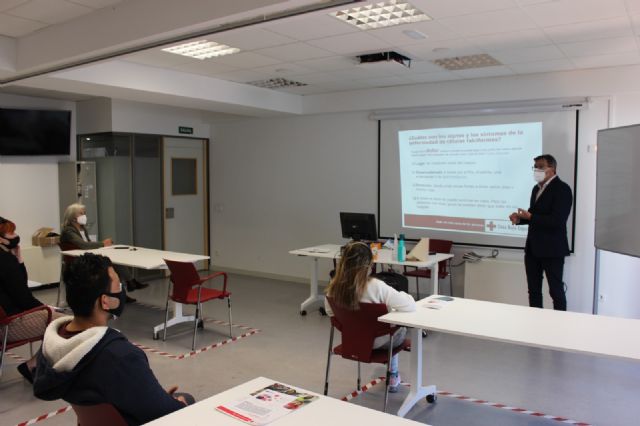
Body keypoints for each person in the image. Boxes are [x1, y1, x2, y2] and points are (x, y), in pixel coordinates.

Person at [33, 253, 193, 425]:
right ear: (105, 301)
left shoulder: (54, 345)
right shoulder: (119, 356)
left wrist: (155, 398)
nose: (122, 291)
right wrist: (177, 404)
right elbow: (165, 412)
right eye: (119, 286)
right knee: (187, 399)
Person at [324, 241, 415, 392]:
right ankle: (392, 374)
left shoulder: (333, 287)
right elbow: (409, 306)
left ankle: (391, 373)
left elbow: (331, 314)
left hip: (352, 340)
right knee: (397, 326)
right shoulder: (377, 286)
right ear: (369, 265)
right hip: (383, 341)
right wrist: (404, 295)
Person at [0, 216, 63, 383]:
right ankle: (32, 365)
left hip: (5, 319)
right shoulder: (5, 261)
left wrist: (18, 260)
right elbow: (24, 298)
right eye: (10, 233)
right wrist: (48, 308)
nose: (14, 236)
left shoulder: (7, 259)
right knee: (67, 324)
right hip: (8, 325)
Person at [509, 154, 573, 311]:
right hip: (533, 249)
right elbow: (533, 215)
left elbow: (557, 221)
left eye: (540, 167)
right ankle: (535, 325)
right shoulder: (536, 189)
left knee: (556, 291)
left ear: (552, 169)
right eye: (535, 167)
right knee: (534, 291)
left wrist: (531, 216)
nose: (537, 170)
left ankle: (560, 326)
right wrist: (520, 219)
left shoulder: (562, 189)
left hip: (552, 249)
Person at [60, 203, 147, 301]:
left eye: (84, 213)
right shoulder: (68, 231)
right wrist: (103, 243)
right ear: (73, 217)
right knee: (112, 263)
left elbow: (87, 244)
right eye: (81, 213)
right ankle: (129, 284)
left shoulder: (82, 229)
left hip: (87, 256)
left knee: (115, 261)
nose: (84, 215)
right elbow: (84, 245)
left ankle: (124, 291)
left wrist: (100, 245)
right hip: (79, 261)